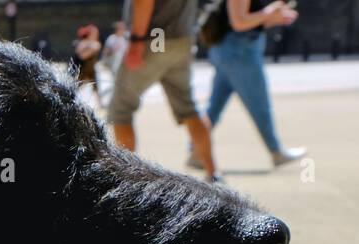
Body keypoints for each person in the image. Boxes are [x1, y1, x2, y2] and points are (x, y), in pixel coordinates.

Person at [109, 0, 219, 181]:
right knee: (188, 108)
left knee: (120, 109)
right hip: (183, 39)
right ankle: (213, 172)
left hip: (154, 38)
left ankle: (125, 177)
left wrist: (136, 40)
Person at [204, 0, 306, 168]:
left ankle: (196, 151)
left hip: (235, 49)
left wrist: (274, 17)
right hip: (238, 51)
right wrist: (269, 11)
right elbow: (239, 22)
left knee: (214, 106)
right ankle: (276, 151)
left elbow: (249, 20)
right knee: (260, 105)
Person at [73, 24, 103, 107]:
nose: (97, 35)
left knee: (96, 87)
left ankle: (100, 104)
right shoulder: (83, 43)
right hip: (81, 69)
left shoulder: (95, 44)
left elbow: (93, 48)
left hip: (90, 69)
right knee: (74, 87)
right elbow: (82, 55)